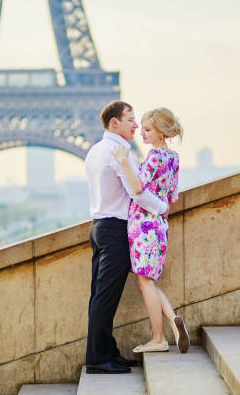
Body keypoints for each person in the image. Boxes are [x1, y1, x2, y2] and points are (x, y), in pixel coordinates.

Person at [84, 100, 170, 374]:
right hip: (115, 230)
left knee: (99, 295)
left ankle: (106, 352)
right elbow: (138, 191)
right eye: (131, 119)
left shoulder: (96, 150)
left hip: (98, 227)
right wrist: (162, 207)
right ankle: (98, 358)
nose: (135, 125)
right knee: (105, 298)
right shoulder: (120, 151)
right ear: (114, 123)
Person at [111, 107, 190, 354]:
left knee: (144, 282)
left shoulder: (154, 156)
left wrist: (124, 162)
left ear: (161, 132)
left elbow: (137, 187)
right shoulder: (173, 158)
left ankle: (158, 338)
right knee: (149, 280)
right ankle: (173, 323)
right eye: (142, 128)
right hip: (159, 226)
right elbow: (173, 196)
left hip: (143, 224)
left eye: (147, 130)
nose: (142, 134)